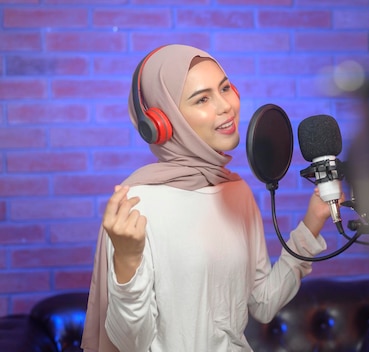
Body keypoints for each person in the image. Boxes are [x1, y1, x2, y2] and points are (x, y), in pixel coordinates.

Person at [81, 44, 332, 352]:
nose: (226, 106)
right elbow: (132, 343)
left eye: (225, 88)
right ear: (163, 122)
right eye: (202, 98)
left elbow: (263, 303)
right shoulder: (136, 204)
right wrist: (127, 259)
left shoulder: (237, 191)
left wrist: (312, 223)